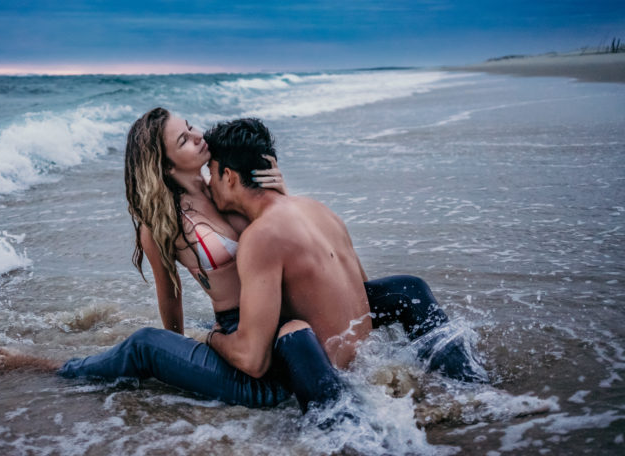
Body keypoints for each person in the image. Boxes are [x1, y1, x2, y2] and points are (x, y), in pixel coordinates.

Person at [0, 107, 340, 410]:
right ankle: (56, 368)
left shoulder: (228, 182)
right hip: (242, 344)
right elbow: (170, 293)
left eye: (190, 127)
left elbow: (286, 237)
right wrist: (178, 351)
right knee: (144, 344)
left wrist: (281, 194)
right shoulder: (164, 223)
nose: (198, 136)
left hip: (284, 324)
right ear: (166, 165)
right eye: (184, 141)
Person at [202, 118, 486, 410]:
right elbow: (359, 291)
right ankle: (475, 388)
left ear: (229, 175)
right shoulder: (318, 210)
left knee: (275, 333)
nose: (208, 185)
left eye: (210, 173)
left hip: (336, 382)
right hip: (370, 361)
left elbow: (252, 359)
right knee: (408, 287)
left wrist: (212, 337)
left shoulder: (260, 238)